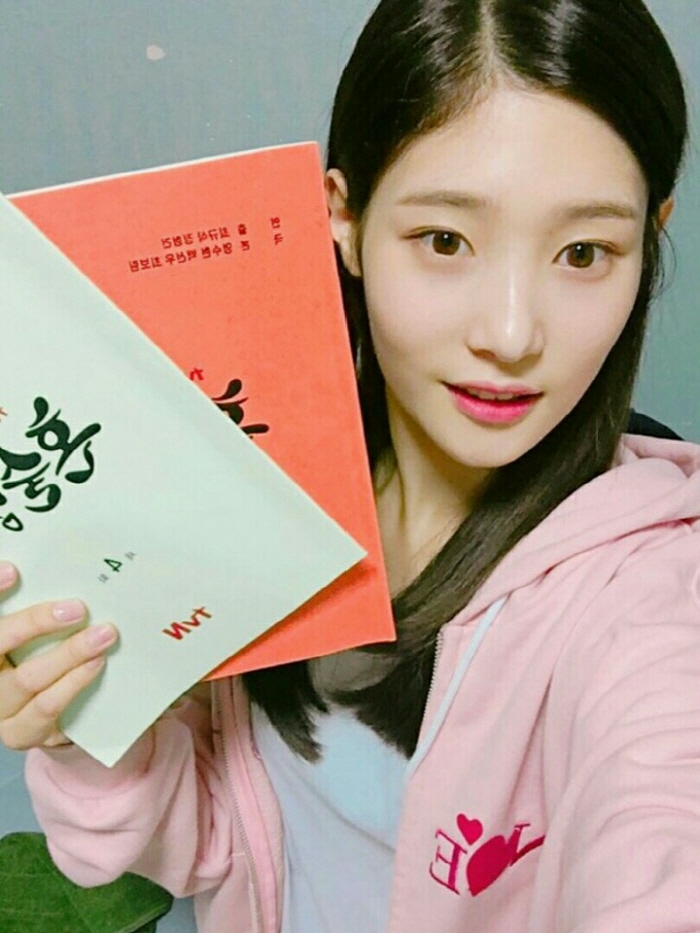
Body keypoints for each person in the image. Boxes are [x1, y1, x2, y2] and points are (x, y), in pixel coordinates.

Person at [1, 0, 699, 930]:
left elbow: (663, 825)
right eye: (445, 241)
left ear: (650, 233)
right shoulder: (271, 485)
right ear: (343, 216)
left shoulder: (651, 591)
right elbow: (226, 843)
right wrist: (86, 719)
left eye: (584, 252)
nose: (510, 333)